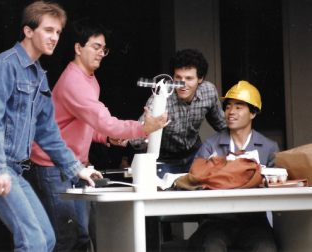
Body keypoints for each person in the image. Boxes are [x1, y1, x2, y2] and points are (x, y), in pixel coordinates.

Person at [0, 2, 103, 251]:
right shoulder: (3, 66)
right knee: (33, 242)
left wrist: (76, 169)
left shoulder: (38, 76)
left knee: (47, 239)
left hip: (14, 170)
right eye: (48, 30)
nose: (54, 38)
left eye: (58, 32)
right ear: (28, 31)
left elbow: (49, 133)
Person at [28, 18, 169, 252]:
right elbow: (104, 121)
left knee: (81, 238)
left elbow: (83, 123)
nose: (101, 53)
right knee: (66, 238)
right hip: (52, 166)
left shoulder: (89, 79)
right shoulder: (75, 82)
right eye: (95, 47)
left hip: (74, 166)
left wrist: (105, 137)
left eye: (104, 48)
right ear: (78, 48)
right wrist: (143, 128)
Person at [188, 81, 278, 252]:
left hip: (253, 221)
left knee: (266, 248)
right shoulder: (210, 145)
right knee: (213, 246)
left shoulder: (269, 147)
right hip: (216, 222)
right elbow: (196, 182)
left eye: (239, 107)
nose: (231, 112)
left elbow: (276, 186)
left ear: (253, 113)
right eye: (228, 107)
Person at [129, 49, 227, 179]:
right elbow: (136, 139)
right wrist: (139, 133)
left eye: (189, 78)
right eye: (178, 78)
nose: (182, 84)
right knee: (164, 196)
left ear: (200, 78)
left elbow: (221, 125)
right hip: (165, 158)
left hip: (194, 155)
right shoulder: (160, 98)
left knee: (199, 192)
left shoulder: (208, 91)